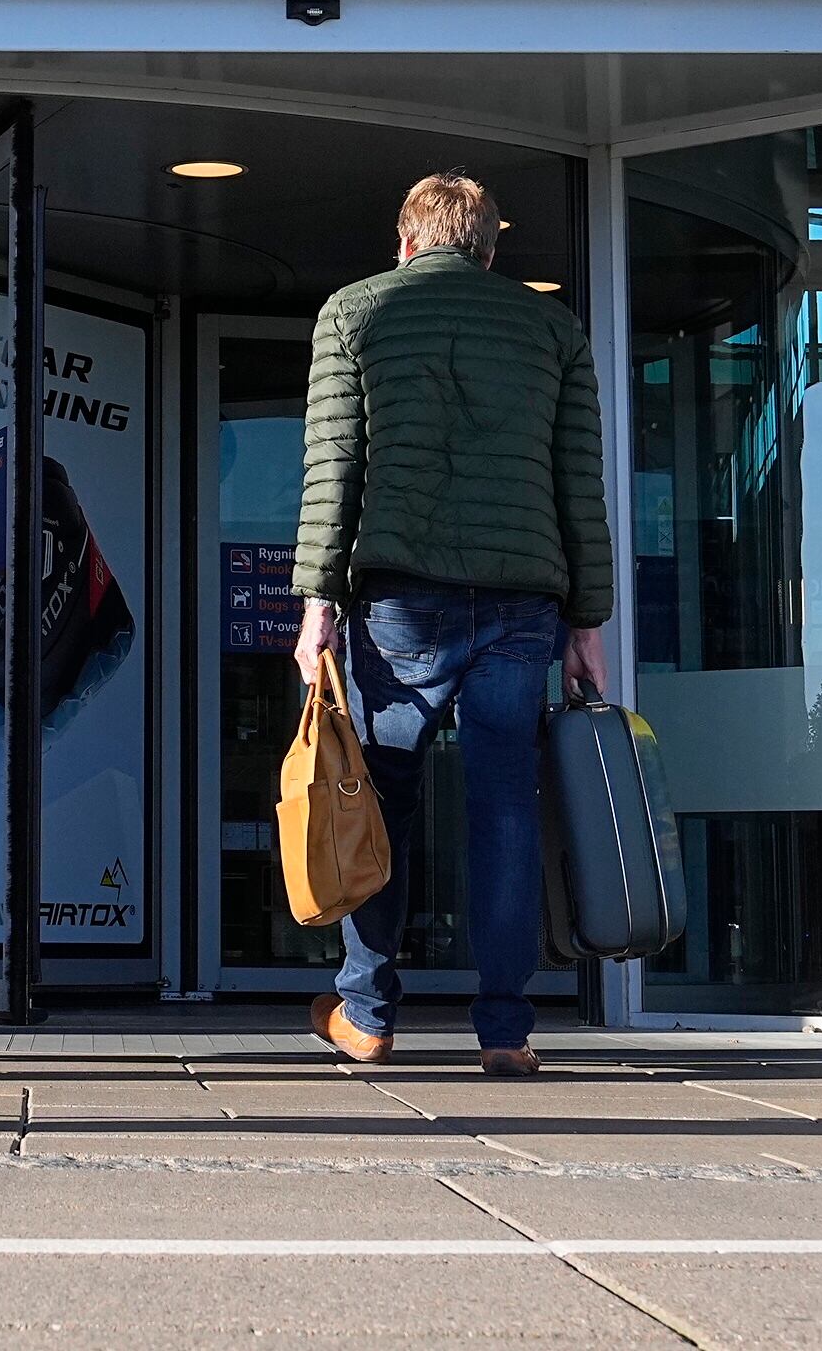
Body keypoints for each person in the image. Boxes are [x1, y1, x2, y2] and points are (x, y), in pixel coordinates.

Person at [292, 172, 613, 1079]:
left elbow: (333, 468)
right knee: (506, 808)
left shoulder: (354, 312)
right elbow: (577, 485)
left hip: (401, 598)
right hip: (522, 600)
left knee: (373, 799)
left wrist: (317, 603)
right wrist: (588, 622)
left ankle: (367, 1014)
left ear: (405, 241)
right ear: (489, 247)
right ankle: (507, 1030)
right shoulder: (552, 328)